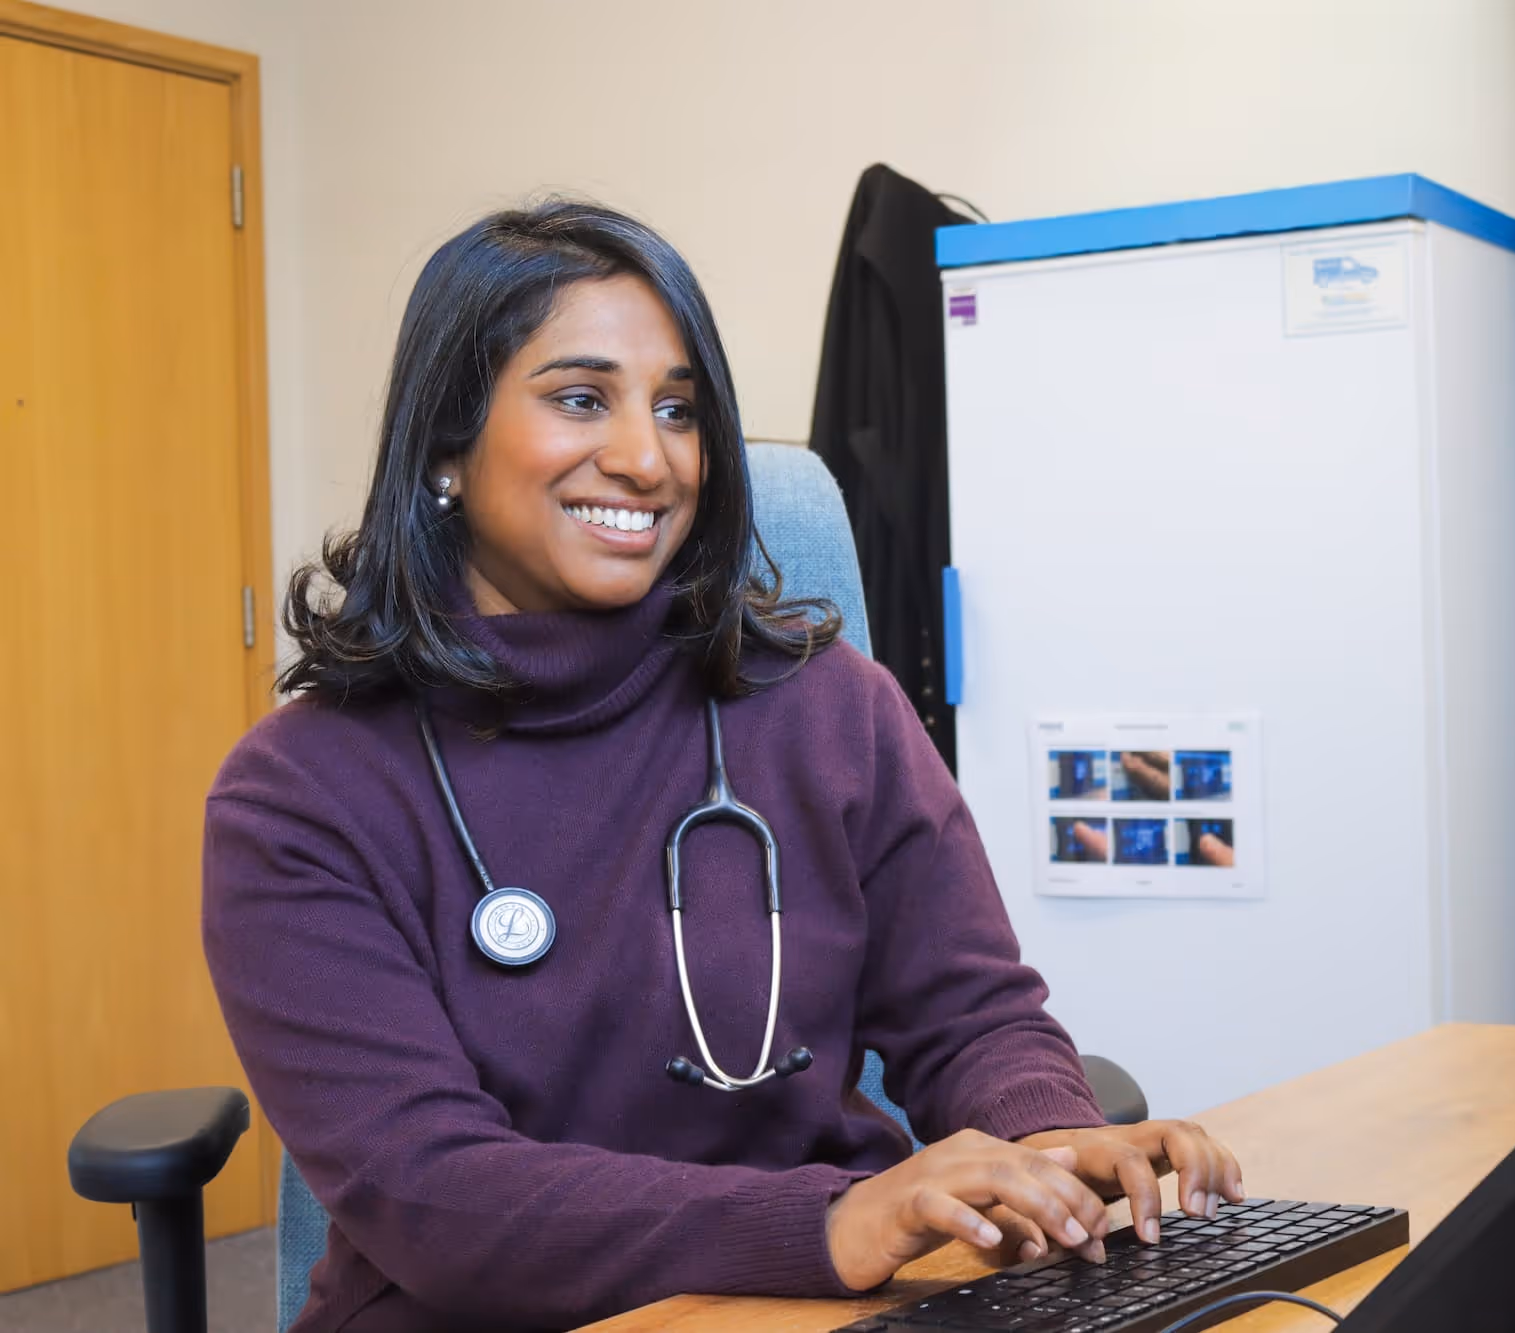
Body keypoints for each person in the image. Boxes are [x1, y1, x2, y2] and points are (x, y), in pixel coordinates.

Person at [202, 200, 1244, 1333]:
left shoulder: (827, 705)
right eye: (580, 397)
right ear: (446, 444)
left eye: (679, 411)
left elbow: (972, 1015)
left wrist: (1049, 1140)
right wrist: (836, 1221)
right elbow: (432, 1193)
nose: (647, 459)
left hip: (821, 1307)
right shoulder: (300, 795)